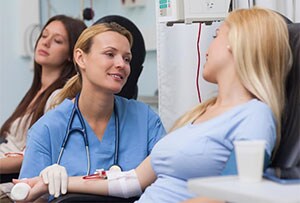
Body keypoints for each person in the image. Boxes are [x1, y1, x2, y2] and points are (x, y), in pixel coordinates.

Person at [13, 7, 292, 203]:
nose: (208, 45)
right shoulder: (200, 114)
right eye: (110, 54)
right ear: (80, 59)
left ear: (237, 45)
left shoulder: (253, 115)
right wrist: (49, 182)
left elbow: (235, 194)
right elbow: (132, 181)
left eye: (217, 34)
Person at [17, 22, 165, 199]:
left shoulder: (145, 119)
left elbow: (169, 181)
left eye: (127, 59)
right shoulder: (48, 129)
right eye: (110, 54)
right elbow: (25, 198)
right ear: (80, 58)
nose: (121, 64)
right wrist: (42, 186)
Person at [0, 14, 86, 202]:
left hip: (13, 183)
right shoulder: (36, 92)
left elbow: (36, 155)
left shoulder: (59, 98)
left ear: (72, 55)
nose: (45, 43)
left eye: (57, 41)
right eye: (44, 35)